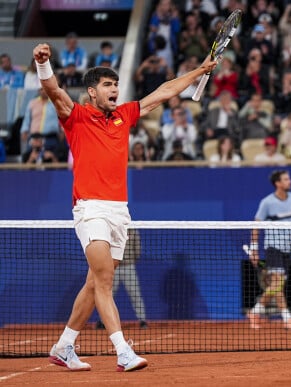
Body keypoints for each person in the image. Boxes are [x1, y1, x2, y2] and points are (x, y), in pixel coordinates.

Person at [33, 42, 216, 372]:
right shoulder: (76, 116)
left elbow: (163, 92)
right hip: (91, 209)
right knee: (104, 282)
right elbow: (54, 91)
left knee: (94, 283)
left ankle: (63, 347)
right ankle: (123, 350)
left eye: (116, 84)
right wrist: (43, 63)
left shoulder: (124, 115)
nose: (115, 89)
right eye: (107, 85)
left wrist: (199, 71)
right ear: (92, 92)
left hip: (120, 211)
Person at [247, 170, 291, 330]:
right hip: (273, 247)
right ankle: (287, 318)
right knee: (277, 284)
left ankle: (255, 311)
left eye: (289, 178)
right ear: (278, 183)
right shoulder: (267, 203)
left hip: (287, 247)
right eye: (286, 179)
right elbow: (256, 226)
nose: (290, 181)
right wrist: (254, 250)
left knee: (278, 285)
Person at [95, 229, 148, 330]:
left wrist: (130, 260)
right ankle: (102, 321)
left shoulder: (133, 231)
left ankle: (143, 321)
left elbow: (137, 249)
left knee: (135, 294)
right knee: (107, 294)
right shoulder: (110, 229)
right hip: (112, 267)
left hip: (128, 267)